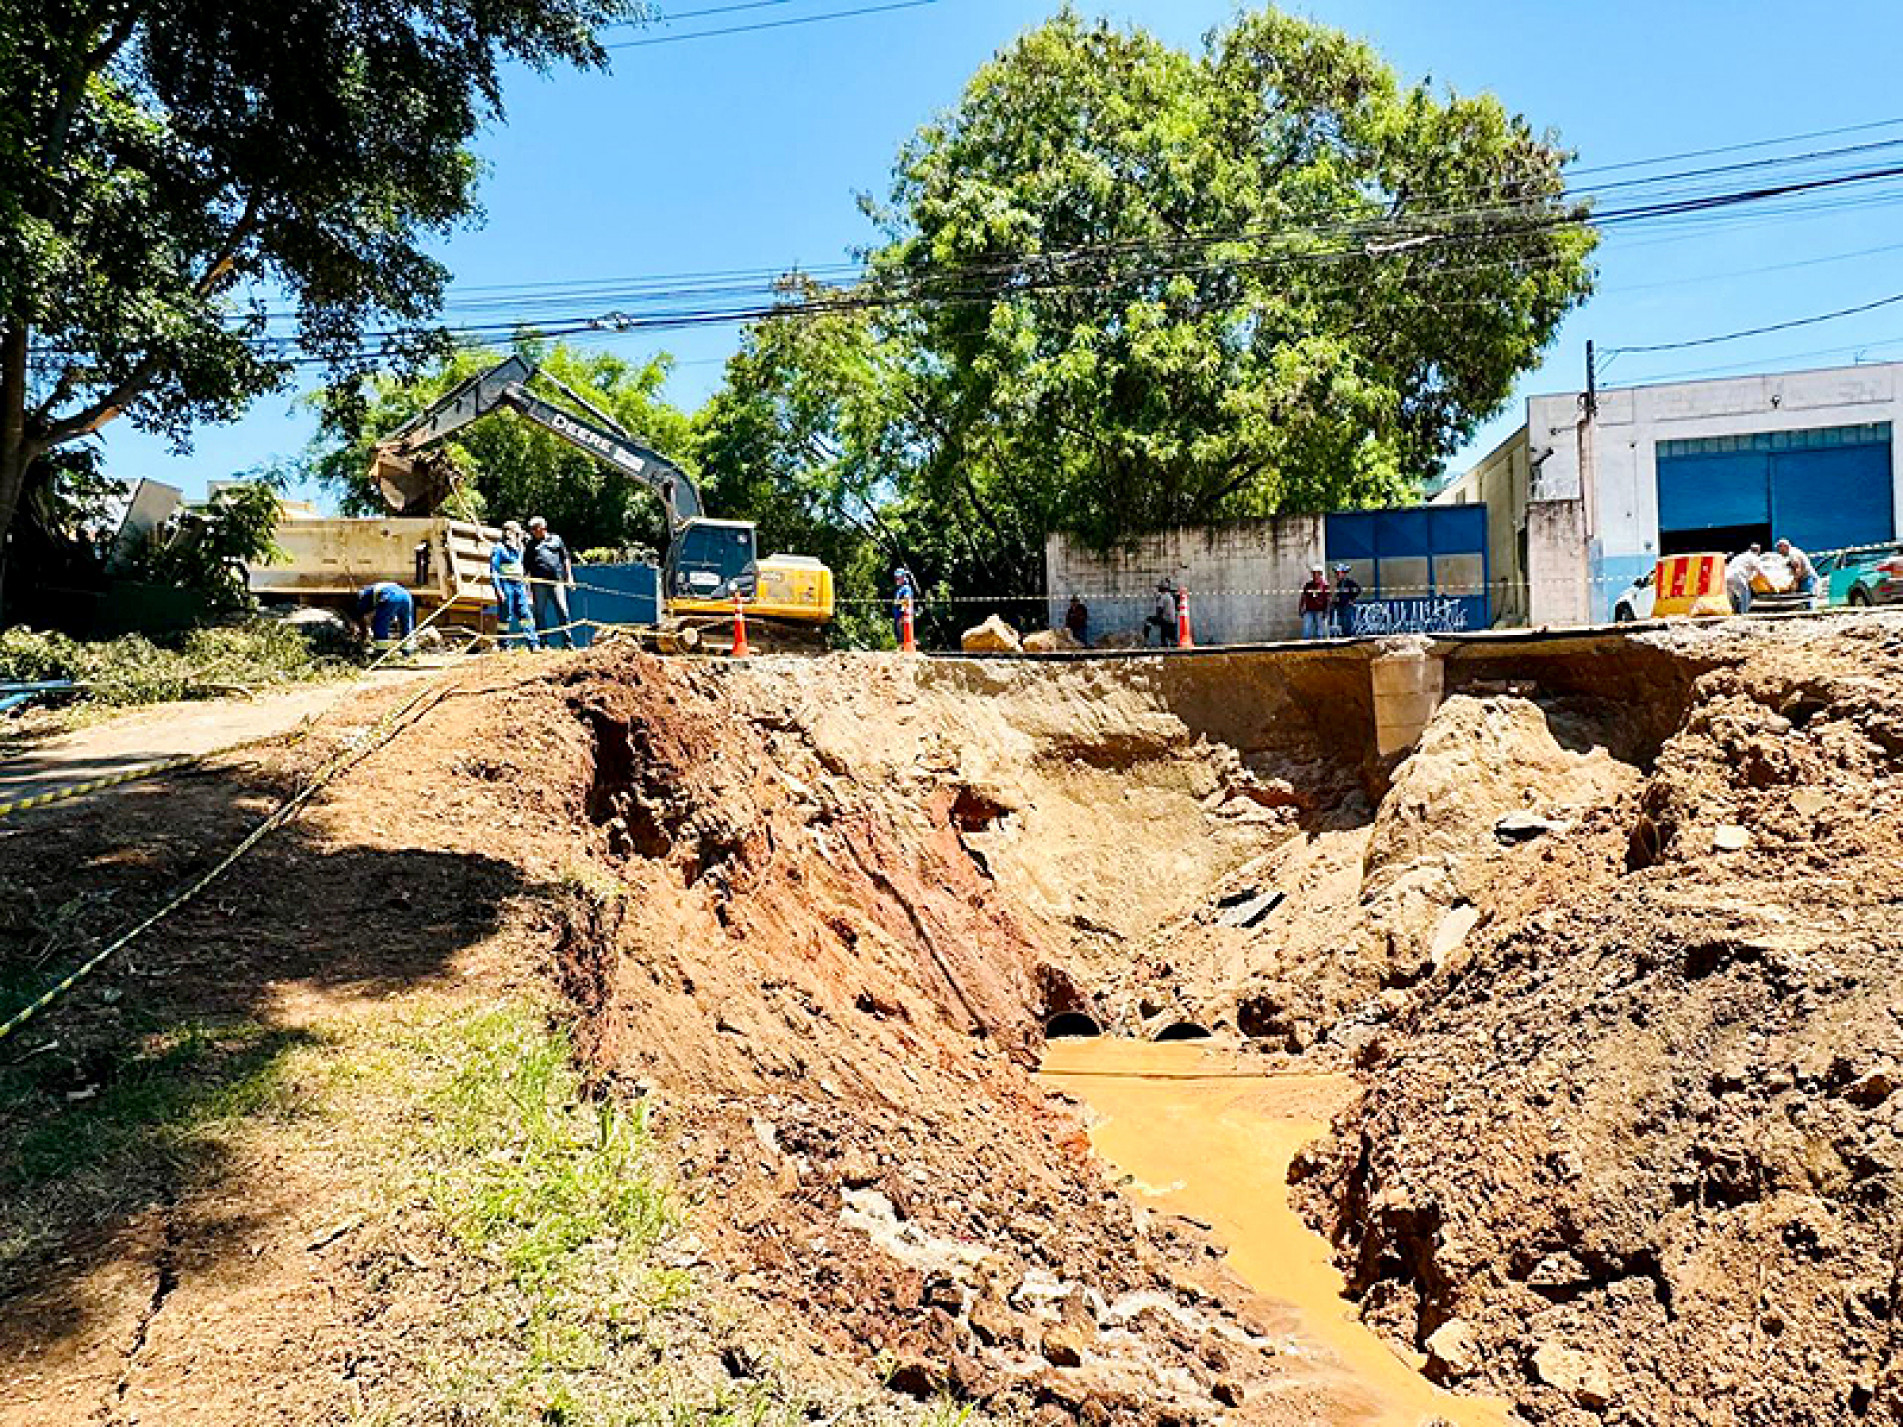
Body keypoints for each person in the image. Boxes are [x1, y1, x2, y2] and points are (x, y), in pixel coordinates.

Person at [524, 515, 576, 649]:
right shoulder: (530, 545)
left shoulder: (556, 539)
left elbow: (565, 558)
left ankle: (568, 642)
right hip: (538, 583)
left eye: (536, 528)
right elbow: (526, 567)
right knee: (539, 613)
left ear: (543, 528)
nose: (533, 531)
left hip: (556, 582)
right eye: (531, 529)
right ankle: (543, 643)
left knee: (563, 610)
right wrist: (527, 589)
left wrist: (569, 577)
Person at [490, 521, 540, 650]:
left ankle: (533, 643)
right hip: (506, 584)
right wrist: (498, 590)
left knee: (525, 614)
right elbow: (494, 571)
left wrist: (527, 587)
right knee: (505, 616)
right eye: (516, 532)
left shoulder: (520, 549)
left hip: (519, 585)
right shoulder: (499, 549)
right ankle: (504, 644)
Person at [353, 581, 415, 654]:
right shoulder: (376, 588)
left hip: (392, 597)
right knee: (405, 622)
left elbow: (361, 615)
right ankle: (407, 650)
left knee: (380, 622)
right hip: (407, 596)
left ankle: (381, 651)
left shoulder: (364, 596)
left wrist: (363, 634)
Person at [1726, 544, 1761, 615]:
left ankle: (1734, 612)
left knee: (1733, 596)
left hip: (1727, 576)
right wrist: (1771, 583)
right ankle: (1744, 613)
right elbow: (1759, 570)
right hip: (1738, 576)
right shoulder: (1753, 557)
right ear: (1758, 550)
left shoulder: (1740, 556)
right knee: (1745, 593)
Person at [1298, 564, 1331, 640]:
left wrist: (1327, 611)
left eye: (1317, 573)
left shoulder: (1325, 585)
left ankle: (1320, 645)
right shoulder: (1308, 585)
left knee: (1320, 630)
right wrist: (1301, 608)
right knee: (1306, 628)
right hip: (1309, 610)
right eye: (1313, 573)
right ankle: (1306, 644)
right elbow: (1303, 596)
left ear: (1320, 574)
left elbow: (1328, 599)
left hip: (1320, 610)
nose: (1315, 575)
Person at [1330, 562, 1361, 637]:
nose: (1336, 575)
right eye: (1336, 573)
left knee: (1347, 623)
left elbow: (1358, 590)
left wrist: (1352, 599)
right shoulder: (1339, 584)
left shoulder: (1349, 582)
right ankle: (1345, 635)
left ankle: (1348, 637)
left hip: (1347, 606)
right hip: (1340, 606)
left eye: (1338, 573)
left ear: (1343, 573)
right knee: (1342, 623)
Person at [1146, 579, 1177, 647]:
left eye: (1159, 588)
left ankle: (1146, 639)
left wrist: (1154, 619)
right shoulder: (1169, 596)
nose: (1158, 589)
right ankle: (1166, 643)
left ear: (1162, 588)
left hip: (1166, 621)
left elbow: (1159, 611)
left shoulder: (1162, 597)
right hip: (1173, 621)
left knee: (1148, 620)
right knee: (1162, 623)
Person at [891, 566, 916, 647]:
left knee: (902, 635)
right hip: (897, 616)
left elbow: (907, 600)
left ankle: (905, 648)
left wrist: (902, 612)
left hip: (902, 616)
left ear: (903, 578)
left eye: (899, 577)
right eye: (896, 577)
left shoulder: (906, 588)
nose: (897, 579)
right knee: (898, 635)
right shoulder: (899, 589)